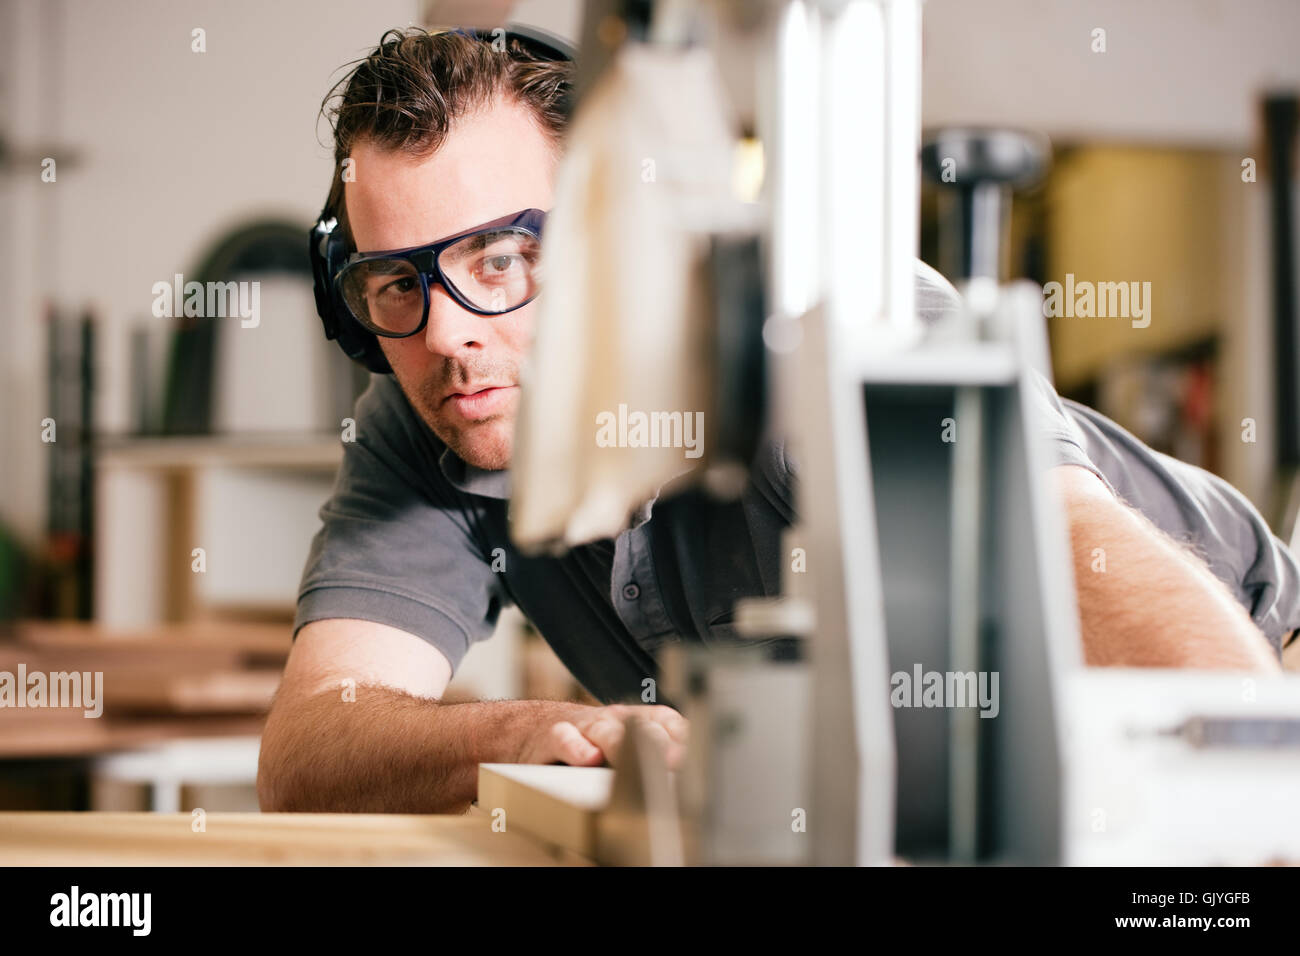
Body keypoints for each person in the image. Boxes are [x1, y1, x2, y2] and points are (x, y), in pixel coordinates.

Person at [257, 28, 1296, 814]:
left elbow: (1170, 652)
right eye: (394, 281)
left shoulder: (825, 331)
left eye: (499, 259)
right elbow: (309, 748)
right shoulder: (427, 413)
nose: (445, 334)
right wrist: (541, 729)